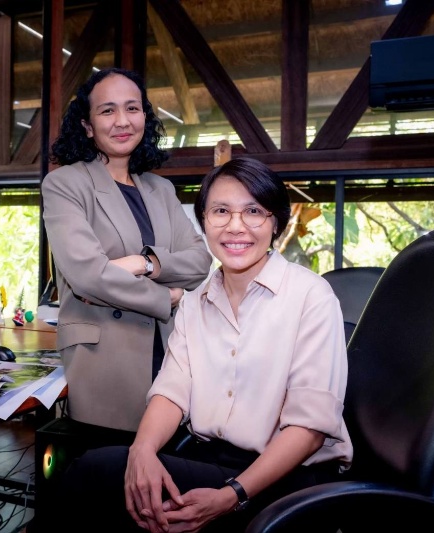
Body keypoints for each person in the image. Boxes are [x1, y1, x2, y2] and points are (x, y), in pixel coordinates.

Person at [58, 157, 353, 532]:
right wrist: (142, 451)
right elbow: (172, 391)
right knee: (112, 478)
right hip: (211, 460)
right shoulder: (195, 301)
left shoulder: (311, 296)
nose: (236, 226)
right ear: (204, 221)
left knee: (95, 475)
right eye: (221, 211)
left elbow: (309, 430)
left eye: (253, 211)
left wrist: (232, 495)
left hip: (288, 478)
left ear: (275, 221)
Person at [41, 67, 212, 433]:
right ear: (87, 126)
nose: (122, 120)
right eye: (107, 110)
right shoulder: (65, 184)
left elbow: (200, 261)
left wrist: (143, 264)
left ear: (144, 118)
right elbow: (88, 276)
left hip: (170, 355)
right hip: (105, 361)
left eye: (132, 108)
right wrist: (166, 296)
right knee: (110, 463)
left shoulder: (160, 189)